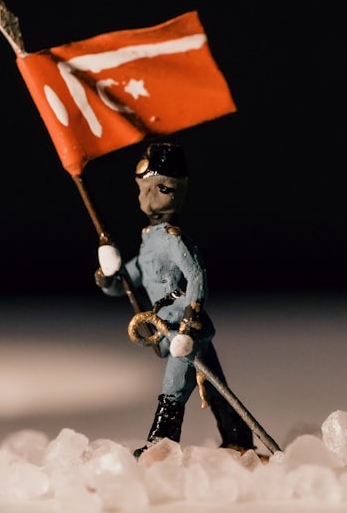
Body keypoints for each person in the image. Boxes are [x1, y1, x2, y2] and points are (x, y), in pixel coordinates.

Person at [94, 141, 258, 458]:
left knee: (174, 388)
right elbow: (128, 282)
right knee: (214, 385)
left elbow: (196, 276)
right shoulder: (149, 240)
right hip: (168, 329)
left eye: (159, 188)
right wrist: (108, 275)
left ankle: (161, 447)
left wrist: (190, 321)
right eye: (143, 188)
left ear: (173, 191)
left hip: (184, 330)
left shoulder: (173, 239)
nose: (146, 196)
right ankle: (240, 440)